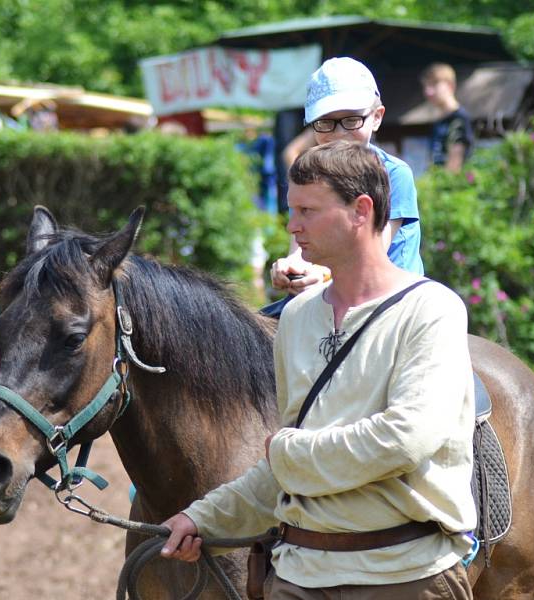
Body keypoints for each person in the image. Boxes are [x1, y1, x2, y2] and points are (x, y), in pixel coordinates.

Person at [161, 140, 476, 599]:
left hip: (405, 577)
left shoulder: (432, 310)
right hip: (298, 579)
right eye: (292, 210)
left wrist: (290, 454)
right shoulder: (295, 317)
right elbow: (283, 471)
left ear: (360, 211)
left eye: (307, 211)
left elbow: (405, 440)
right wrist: (202, 518)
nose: (292, 226)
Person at [271, 57, 423, 301]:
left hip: (387, 299)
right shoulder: (308, 175)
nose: (340, 133)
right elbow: (299, 247)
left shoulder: (394, 174)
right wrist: (290, 268)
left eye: (352, 119)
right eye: (326, 122)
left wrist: (321, 273)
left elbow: (373, 252)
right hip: (327, 294)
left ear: (376, 117)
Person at [420, 63, 474, 173]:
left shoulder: (459, 118)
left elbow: (455, 165)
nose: (428, 91)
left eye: (434, 84)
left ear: (450, 86)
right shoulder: (439, 121)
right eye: (425, 86)